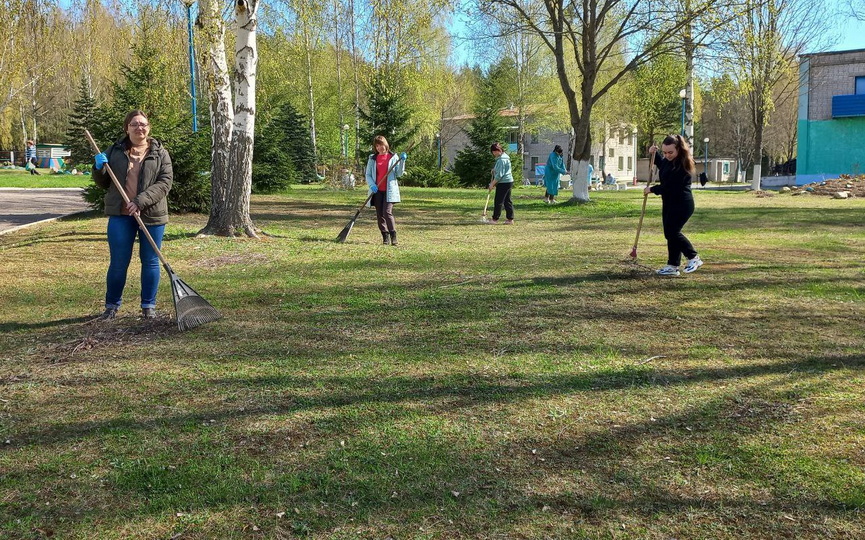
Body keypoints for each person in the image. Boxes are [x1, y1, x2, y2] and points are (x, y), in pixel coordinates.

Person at [92, 110, 173, 319]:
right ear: (127, 128)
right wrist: (98, 167)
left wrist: (139, 202)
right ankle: (111, 306)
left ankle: (148, 306)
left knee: (151, 261)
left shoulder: (159, 152)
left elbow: (165, 183)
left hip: (152, 215)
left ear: (149, 128)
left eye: (144, 124)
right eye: (135, 124)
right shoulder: (114, 151)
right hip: (121, 215)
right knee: (118, 262)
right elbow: (103, 183)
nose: (140, 128)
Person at [646, 134, 703, 276]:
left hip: (682, 204)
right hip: (669, 203)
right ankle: (672, 265)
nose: (667, 155)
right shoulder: (667, 160)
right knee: (669, 234)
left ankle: (693, 258)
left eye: (670, 152)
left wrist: (652, 189)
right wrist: (654, 153)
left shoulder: (683, 165)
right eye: (665, 152)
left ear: (679, 149)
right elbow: (661, 163)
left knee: (673, 232)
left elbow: (669, 186)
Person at [365, 135, 406, 245]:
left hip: (389, 190)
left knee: (387, 212)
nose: (379, 148)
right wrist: (372, 185)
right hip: (377, 190)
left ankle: (393, 236)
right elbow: (368, 174)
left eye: (381, 145)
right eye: (377, 146)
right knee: (380, 214)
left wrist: (402, 162)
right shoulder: (372, 158)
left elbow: (399, 174)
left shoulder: (393, 157)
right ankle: (385, 236)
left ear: (386, 144)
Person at [488, 142, 515, 224]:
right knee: (507, 200)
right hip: (508, 181)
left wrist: (492, 184)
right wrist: (494, 170)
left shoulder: (501, 160)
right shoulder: (504, 157)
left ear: (497, 151)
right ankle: (510, 219)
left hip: (504, 182)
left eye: (493, 152)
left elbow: (500, 175)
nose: (493, 154)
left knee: (498, 201)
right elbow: (500, 170)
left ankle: (495, 219)